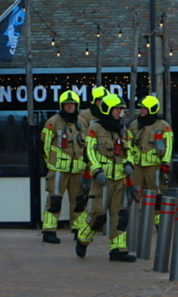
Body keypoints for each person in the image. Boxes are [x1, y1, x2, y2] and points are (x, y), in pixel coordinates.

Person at [75, 94, 137, 262]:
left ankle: (118, 250)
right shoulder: (95, 128)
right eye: (117, 109)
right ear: (108, 110)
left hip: (120, 180)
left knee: (121, 215)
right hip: (102, 180)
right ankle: (83, 238)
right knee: (98, 216)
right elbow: (89, 151)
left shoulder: (123, 130)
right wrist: (96, 171)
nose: (120, 113)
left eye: (121, 109)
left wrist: (130, 163)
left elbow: (130, 150)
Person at [40, 90, 88, 244]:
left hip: (77, 170)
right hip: (58, 170)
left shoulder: (82, 122)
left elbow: (87, 146)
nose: (70, 107)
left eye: (72, 104)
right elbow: (44, 145)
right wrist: (50, 164)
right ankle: (49, 231)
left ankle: (78, 230)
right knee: (55, 201)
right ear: (62, 105)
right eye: (67, 104)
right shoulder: (53, 122)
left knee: (79, 201)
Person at [128, 95, 174, 226]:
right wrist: (129, 160)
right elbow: (128, 144)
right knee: (135, 192)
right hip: (137, 165)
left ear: (151, 109)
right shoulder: (134, 125)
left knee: (157, 192)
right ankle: (134, 220)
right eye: (141, 108)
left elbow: (169, 145)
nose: (141, 110)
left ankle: (158, 220)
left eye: (144, 108)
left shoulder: (162, 126)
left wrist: (166, 163)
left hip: (155, 166)